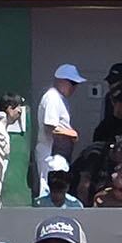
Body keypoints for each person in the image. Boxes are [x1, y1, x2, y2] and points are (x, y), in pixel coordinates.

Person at [35, 64, 84, 196]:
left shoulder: (61, 99)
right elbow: (50, 126)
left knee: (60, 187)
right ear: (61, 81)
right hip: (50, 152)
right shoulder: (52, 97)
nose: (74, 87)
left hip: (59, 154)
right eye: (72, 83)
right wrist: (71, 133)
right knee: (48, 188)